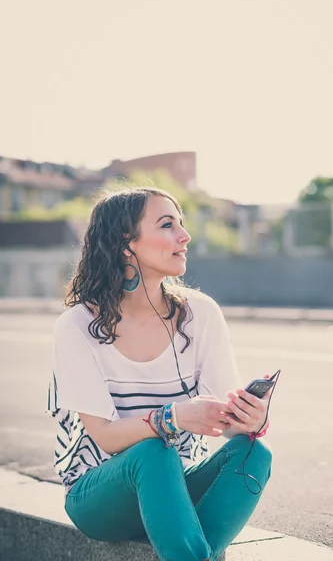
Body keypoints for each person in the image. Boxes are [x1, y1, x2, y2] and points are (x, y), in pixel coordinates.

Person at [46, 187, 273, 561]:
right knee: (154, 451)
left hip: (175, 488)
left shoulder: (201, 314)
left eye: (181, 225)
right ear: (125, 243)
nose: (184, 236)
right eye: (167, 225)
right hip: (99, 496)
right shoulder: (77, 326)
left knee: (254, 452)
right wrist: (174, 417)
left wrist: (251, 418)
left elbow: (228, 422)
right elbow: (105, 437)